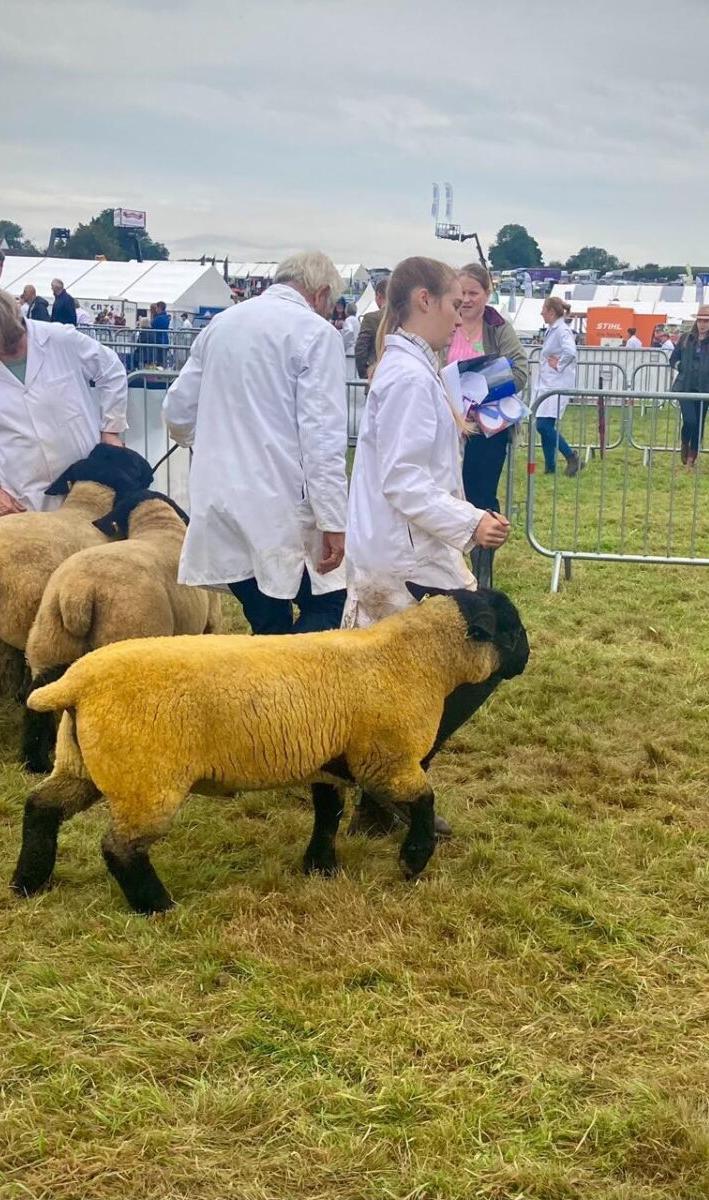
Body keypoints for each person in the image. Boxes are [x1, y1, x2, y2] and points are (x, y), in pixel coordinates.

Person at [343, 256, 508, 842]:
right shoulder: (410, 376)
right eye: (454, 306)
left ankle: (380, 793)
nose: (461, 319)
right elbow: (404, 480)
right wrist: (471, 525)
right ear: (422, 301)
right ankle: (391, 784)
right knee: (482, 654)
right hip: (408, 554)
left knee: (397, 682)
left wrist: (457, 427)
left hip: (404, 547)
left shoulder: (416, 369)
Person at [164, 251, 348, 635]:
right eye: (331, 307)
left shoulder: (220, 325)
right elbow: (322, 440)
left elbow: (177, 411)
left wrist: (210, 441)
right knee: (333, 603)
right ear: (322, 293)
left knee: (267, 620)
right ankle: (292, 684)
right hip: (277, 506)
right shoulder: (316, 334)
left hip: (220, 501)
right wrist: (334, 520)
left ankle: (262, 688)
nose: (330, 315)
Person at [0, 274, 128, 516]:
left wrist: (111, 430)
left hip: (86, 493)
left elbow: (111, 369)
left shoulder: (59, 339)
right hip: (21, 504)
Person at [449, 263, 528, 589]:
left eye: (473, 293)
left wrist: (483, 385)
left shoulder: (498, 328)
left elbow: (521, 370)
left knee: (481, 495)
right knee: (450, 494)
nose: (466, 300)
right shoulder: (445, 322)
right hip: (448, 425)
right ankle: (450, 567)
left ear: (487, 293)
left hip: (487, 430)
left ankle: (484, 574)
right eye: (462, 293)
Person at [669, 304, 709, 468]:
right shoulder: (685, 338)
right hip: (684, 386)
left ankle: (692, 458)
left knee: (699, 423)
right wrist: (681, 366)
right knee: (690, 421)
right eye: (700, 320)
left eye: (706, 321)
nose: (702, 324)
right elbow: (673, 359)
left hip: (704, 387)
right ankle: (685, 442)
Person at [535, 296, 582, 475]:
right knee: (544, 425)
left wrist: (559, 364)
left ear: (551, 312)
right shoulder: (553, 329)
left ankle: (571, 456)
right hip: (549, 384)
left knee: (543, 426)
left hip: (557, 384)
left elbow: (571, 351)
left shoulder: (562, 330)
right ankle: (550, 467)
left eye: (544, 310)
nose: (541, 313)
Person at [354, 274, 389, 379]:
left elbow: (360, 349)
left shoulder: (370, 318)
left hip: (376, 377)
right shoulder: (404, 318)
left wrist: (365, 375)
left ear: (378, 295)